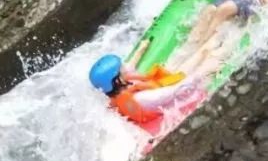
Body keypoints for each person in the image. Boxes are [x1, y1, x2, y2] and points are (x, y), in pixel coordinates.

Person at [88, 36, 229, 124]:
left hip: (163, 83)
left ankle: (212, 40)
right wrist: (204, 70)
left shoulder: (116, 90)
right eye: (121, 68)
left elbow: (129, 67)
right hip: (172, 89)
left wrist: (141, 49)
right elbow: (176, 91)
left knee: (203, 50)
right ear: (117, 80)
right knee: (206, 55)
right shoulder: (142, 98)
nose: (124, 66)